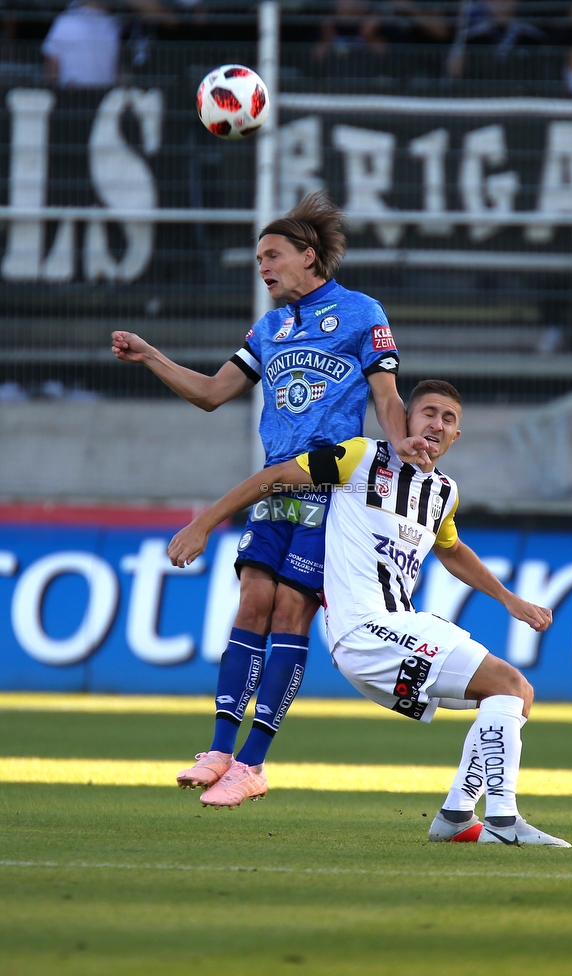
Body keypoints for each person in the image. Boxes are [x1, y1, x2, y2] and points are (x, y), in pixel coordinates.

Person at [111, 192, 429, 807]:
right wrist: (151, 355)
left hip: (332, 489)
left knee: (289, 611)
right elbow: (210, 393)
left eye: (272, 255)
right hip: (274, 488)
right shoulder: (270, 327)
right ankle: (218, 749)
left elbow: (386, 396)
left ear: (309, 257)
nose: (263, 267)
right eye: (259, 258)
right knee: (252, 601)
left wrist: (403, 440)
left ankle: (252, 764)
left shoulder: (362, 313)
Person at [168, 379, 571, 848]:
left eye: (448, 419)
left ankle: (457, 816)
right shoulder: (362, 457)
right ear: (406, 418)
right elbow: (273, 478)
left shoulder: (443, 492)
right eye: (429, 413)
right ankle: (502, 822)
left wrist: (510, 600)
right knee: (508, 684)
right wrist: (203, 524)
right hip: (365, 629)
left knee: (512, 696)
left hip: (395, 634)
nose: (436, 424)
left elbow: (453, 548)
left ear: (457, 435)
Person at [42, 1, 121, 88]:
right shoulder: (112, 24)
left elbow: (52, 65)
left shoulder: (65, 21)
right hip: (99, 93)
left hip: (74, 92)